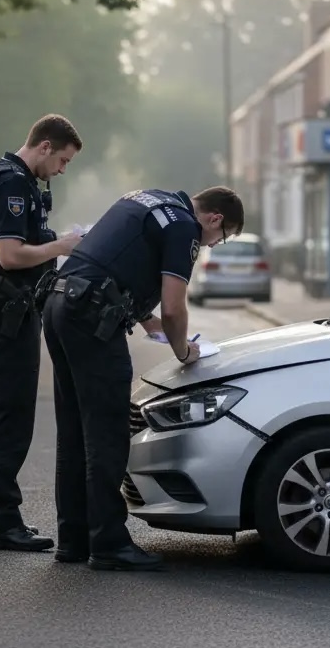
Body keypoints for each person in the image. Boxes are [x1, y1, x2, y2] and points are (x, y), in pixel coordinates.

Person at [39, 186, 244, 570]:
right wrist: (184, 350)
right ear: (214, 219)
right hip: (90, 318)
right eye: (220, 238)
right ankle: (109, 544)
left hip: (59, 304)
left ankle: (74, 539)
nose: (213, 244)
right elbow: (173, 305)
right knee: (108, 433)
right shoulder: (185, 228)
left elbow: (112, 262)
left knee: (74, 432)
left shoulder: (148, 198)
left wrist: (143, 319)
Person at [0, 114, 84, 552]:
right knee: (11, 419)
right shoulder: (14, 183)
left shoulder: (3, 174)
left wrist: (49, 238)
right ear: (46, 147)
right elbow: (10, 255)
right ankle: (3, 523)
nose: (62, 170)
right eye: (63, 161)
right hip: (7, 309)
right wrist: (62, 246)